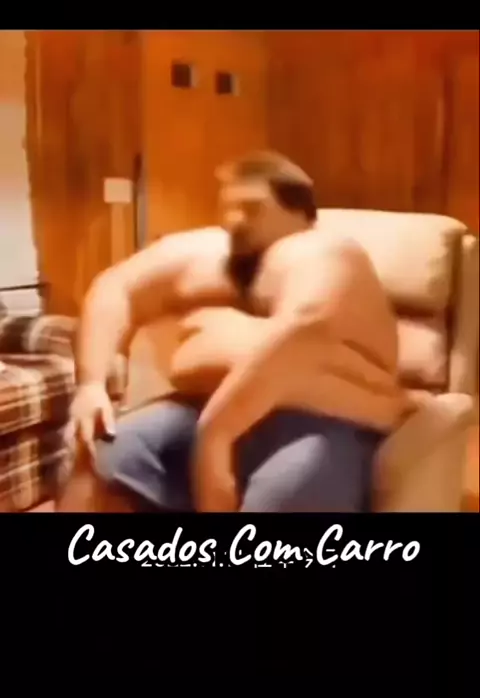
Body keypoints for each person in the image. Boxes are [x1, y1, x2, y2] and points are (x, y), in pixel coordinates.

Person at [57, 151, 405, 513]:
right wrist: (91, 384)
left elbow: (302, 331)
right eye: (227, 208)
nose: (234, 221)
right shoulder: (212, 255)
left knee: (287, 494)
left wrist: (215, 437)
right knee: (102, 454)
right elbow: (116, 287)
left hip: (313, 425)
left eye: (253, 209)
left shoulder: (326, 251)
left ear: (301, 214)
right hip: (196, 410)